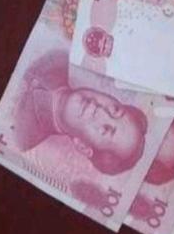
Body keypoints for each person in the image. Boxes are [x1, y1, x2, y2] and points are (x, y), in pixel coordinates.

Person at [14, 50, 147, 175]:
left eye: (106, 129)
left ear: (83, 146)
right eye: (116, 110)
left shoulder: (21, 137)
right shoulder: (61, 56)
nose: (101, 110)